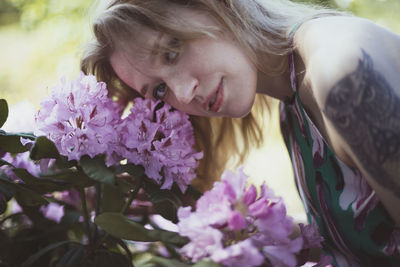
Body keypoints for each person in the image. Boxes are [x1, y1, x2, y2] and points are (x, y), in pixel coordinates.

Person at [81, 0, 400, 265]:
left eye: (171, 52)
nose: (184, 92)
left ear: (215, 6)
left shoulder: (342, 73)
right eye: (160, 89)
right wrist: (253, 239)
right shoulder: (293, 101)